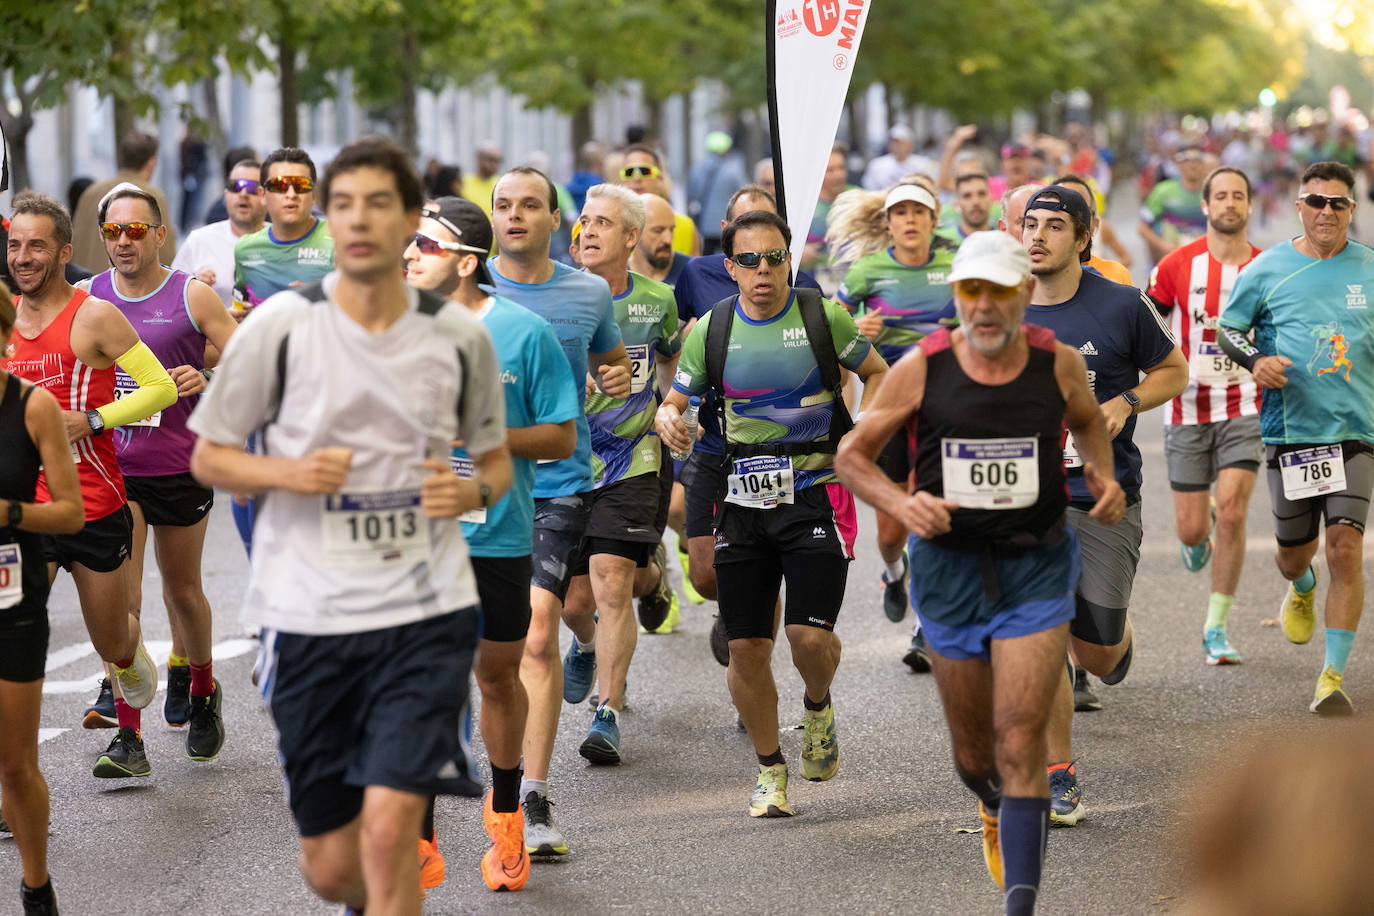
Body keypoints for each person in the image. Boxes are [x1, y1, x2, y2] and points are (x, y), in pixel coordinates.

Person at [188, 136, 512, 914]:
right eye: (344, 205)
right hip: (306, 615)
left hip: (422, 611)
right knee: (334, 870)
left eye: (378, 204)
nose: (358, 220)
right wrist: (286, 475)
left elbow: (496, 465)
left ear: (408, 220)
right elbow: (209, 457)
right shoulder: (280, 329)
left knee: (393, 828)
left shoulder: (459, 335)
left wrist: (470, 495)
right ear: (329, 221)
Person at [836, 230, 1125, 915]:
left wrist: (1103, 477)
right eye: (971, 291)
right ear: (956, 295)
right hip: (950, 571)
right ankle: (993, 805)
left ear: (1025, 294)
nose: (985, 307)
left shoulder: (1056, 364)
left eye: (999, 291)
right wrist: (904, 503)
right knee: (975, 759)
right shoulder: (923, 368)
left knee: (1022, 737)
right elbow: (852, 455)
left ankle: (1019, 905)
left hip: (1035, 562)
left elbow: (1087, 423)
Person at [656, 209, 888, 817]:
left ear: (790, 259)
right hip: (740, 497)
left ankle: (817, 706)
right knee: (747, 649)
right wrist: (667, 417)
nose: (765, 271)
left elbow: (877, 372)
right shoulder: (713, 327)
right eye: (750, 260)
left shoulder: (820, 314)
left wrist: (863, 428)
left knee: (809, 637)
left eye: (776, 257)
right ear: (729, 267)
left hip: (814, 490)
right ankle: (769, 770)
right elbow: (677, 396)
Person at [403, 195, 579, 892]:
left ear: (466, 263)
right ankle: (417, 838)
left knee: (496, 678)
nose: (409, 252)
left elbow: (561, 436)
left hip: (495, 537)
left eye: (425, 242)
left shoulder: (524, 333)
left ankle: (506, 812)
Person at [1020, 185, 1188, 825]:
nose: (1037, 236)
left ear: (1083, 238)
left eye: (1054, 226)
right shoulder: (1002, 308)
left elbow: (1174, 370)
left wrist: (1126, 403)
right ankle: (1058, 777)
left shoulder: (1122, 305)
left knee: (1095, 651)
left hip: (1103, 497)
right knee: (1042, 634)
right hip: (1026, 502)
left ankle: (1112, 642)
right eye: (1030, 225)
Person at [3, 190, 177, 777]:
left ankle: (128, 658)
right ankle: (13, 779)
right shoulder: (3, 317)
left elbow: (160, 388)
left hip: (94, 506)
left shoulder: (93, 315)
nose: (23, 257)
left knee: (114, 644)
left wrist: (94, 418)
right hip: (27, 511)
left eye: (36, 246)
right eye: (14, 245)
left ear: (65, 251)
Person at [487, 165, 632, 857]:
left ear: (556, 221)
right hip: (473, 491)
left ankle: (532, 799)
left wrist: (617, 374)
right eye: (504, 206)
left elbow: (609, 357)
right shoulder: (465, 289)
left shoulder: (587, 290)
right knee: (484, 649)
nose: (516, 216)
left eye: (531, 206)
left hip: (556, 483)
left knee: (537, 635)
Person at [86, 182, 238, 758]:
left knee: (182, 593)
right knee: (121, 601)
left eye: (135, 230)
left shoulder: (190, 296)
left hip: (178, 463)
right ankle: (129, 735)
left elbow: (243, 353)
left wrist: (209, 376)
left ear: (159, 235)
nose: (124, 241)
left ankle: (201, 689)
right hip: (114, 467)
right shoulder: (89, 299)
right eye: (113, 231)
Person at [1218, 161, 1374, 715]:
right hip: (1292, 432)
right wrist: (1257, 360)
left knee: (1346, 547)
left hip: (1356, 432)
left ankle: (1332, 676)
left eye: (1338, 203)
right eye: (1315, 201)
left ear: (1352, 210)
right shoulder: (1268, 269)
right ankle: (1301, 584)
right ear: (1298, 205)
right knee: (1293, 556)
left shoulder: (1369, 269)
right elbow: (1227, 329)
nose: (1326, 212)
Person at [561, 184, 681, 759]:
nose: (587, 231)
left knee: (611, 578)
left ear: (630, 237)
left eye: (603, 223)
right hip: (564, 461)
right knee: (573, 604)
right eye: (584, 221)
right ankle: (586, 644)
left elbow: (670, 361)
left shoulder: (657, 300)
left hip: (634, 458)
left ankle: (606, 713)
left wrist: (672, 407)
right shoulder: (553, 294)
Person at [672, 185, 823, 633]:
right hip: (713, 443)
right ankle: (739, 591)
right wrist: (674, 409)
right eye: (748, 241)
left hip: (780, 452)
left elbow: (837, 365)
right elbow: (671, 346)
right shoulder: (697, 274)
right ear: (727, 237)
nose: (762, 261)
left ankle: (749, 602)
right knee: (702, 577)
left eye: (773, 251)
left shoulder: (802, 287)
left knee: (759, 576)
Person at [829, 182, 957, 637]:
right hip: (887, 408)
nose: (909, 220)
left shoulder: (955, 264)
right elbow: (829, 327)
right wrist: (856, 327)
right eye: (899, 212)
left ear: (933, 220)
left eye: (918, 212)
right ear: (887, 223)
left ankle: (928, 624)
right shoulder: (868, 270)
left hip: (944, 408)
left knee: (934, 515)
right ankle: (894, 572)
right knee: (890, 533)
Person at [1147, 167, 1263, 665]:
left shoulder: (1267, 267)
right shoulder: (1176, 265)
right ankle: (1202, 522)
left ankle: (1216, 628)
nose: (1229, 204)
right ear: (1206, 205)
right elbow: (1145, 327)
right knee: (1193, 532)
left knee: (1235, 510)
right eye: (1221, 196)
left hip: (1247, 404)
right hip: (1187, 406)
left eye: (1238, 196)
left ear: (1250, 206)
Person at [0, 284, 85, 916]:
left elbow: (70, 511)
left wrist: (8, 512)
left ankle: (36, 887)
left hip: (12, 604)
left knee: (14, 765)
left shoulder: (32, 408)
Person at [232, 148, 334, 311]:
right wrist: (237, 313)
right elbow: (239, 300)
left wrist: (319, 296)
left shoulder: (340, 239)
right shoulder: (245, 249)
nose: (291, 194)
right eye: (280, 185)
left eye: (301, 185)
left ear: (314, 195)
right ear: (262, 195)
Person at [71, 132, 179, 272]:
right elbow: (166, 255)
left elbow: (75, 245)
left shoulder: (90, 193)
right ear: (151, 164)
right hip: (131, 290)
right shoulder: (152, 197)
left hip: (87, 287)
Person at [172, 158, 269, 309]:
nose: (243, 193)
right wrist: (191, 288)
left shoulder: (285, 240)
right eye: (235, 186)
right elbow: (171, 298)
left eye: (252, 188)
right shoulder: (198, 240)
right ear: (225, 195)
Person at [618, 143, 701, 256]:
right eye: (629, 172)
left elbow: (695, 272)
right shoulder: (603, 227)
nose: (636, 178)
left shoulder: (686, 227)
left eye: (645, 171)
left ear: (660, 179)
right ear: (622, 181)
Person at [1053, 174, 1134, 285]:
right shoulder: (1031, 277)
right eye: (1059, 209)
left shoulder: (1116, 275)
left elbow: (1126, 257)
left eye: (1079, 211)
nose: (1068, 218)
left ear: (1095, 224)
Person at [1139, 144, 1209, 265]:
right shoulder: (1163, 191)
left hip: (1205, 262)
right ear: (1178, 163)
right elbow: (1143, 228)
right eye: (1186, 159)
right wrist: (1163, 246)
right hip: (1172, 262)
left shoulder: (1214, 193)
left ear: (1204, 163)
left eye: (1197, 159)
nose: (1192, 164)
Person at [801, 144, 856, 295]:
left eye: (841, 168)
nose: (838, 175)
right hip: (812, 288)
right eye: (830, 170)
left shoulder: (860, 199)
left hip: (854, 287)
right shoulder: (803, 205)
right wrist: (798, 251)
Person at [687, 131, 748, 255]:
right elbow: (745, 193)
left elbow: (692, 195)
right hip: (728, 223)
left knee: (707, 256)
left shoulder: (697, 170)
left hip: (704, 225)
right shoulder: (734, 171)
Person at [629, 193, 690, 288]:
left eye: (671, 229)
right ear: (633, 234)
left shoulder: (693, 272)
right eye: (658, 231)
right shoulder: (615, 277)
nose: (668, 240)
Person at [862, 124, 936, 190]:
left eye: (901, 142)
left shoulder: (924, 164)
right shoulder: (876, 164)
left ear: (910, 144)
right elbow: (869, 189)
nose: (897, 146)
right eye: (894, 142)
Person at [935, 172, 993, 246]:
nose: (976, 202)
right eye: (967, 196)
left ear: (991, 199)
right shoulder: (939, 240)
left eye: (981, 194)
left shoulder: (1004, 238)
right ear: (957, 203)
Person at [462, 142, 503, 218]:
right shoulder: (463, 183)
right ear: (479, 159)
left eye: (498, 160)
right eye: (491, 159)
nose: (495, 164)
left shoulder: (502, 184)